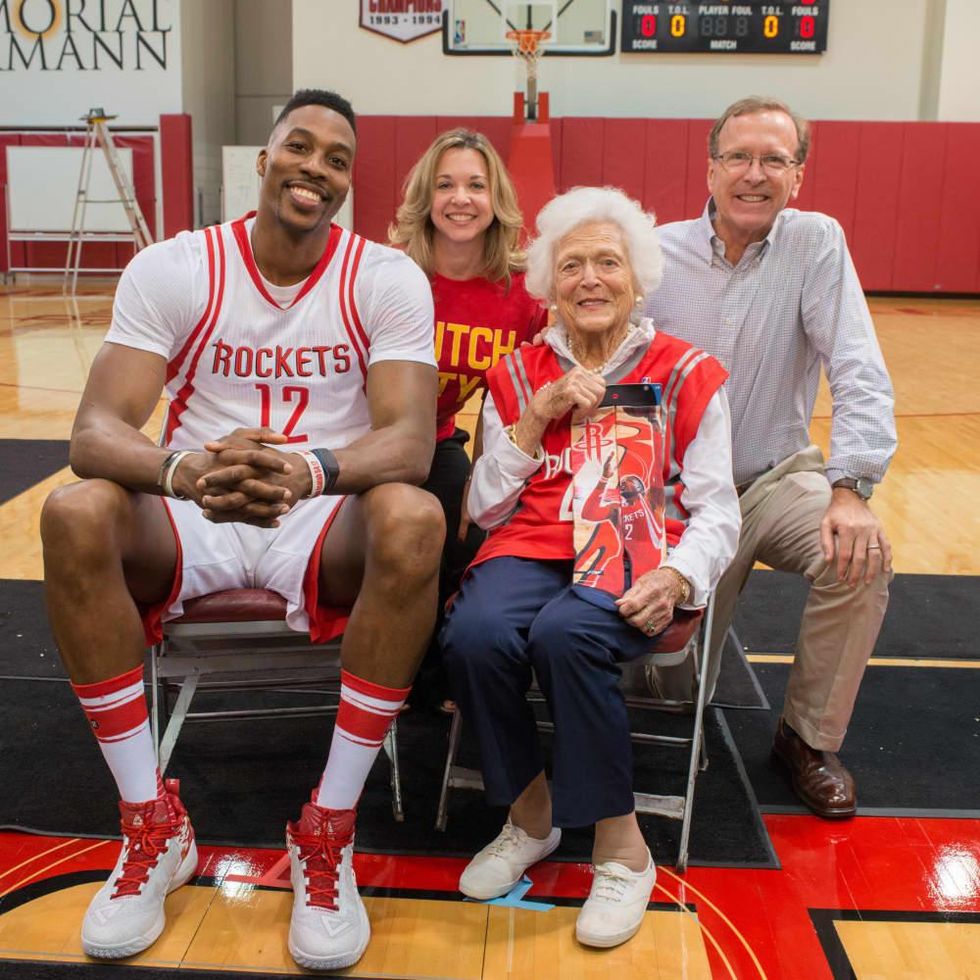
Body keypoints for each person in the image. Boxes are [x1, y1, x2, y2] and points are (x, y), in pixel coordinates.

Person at [39, 89, 444, 972]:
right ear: (263, 162)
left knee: (416, 518)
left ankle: (325, 831)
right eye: (300, 147)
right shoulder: (176, 266)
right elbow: (95, 432)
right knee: (73, 511)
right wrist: (185, 471)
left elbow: (410, 441)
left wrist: (311, 470)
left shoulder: (384, 277)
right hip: (195, 504)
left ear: (347, 185)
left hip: (318, 511)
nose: (317, 168)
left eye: (338, 159)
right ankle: (153, 825)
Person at [441, 187, 740, 949]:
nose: (590, 279)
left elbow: (718, 510)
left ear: (638, 277)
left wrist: (676, 577)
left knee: (566, 635)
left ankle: (621, 845)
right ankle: (532, 813)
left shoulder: (686, 372)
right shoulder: (516, 372)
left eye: (608, 261)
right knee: (474, 632)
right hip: (531, 548)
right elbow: (482, 506)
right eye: (571, 265)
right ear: (550, 284)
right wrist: (536, 417)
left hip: (638, 557)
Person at [643, 95, 897, 818]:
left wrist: (850, 486)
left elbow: (858, 366)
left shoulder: (816, 242)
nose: (754, 174)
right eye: (739, 158)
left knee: (862, 555)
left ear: (798, 177)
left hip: (776, 481)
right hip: (681, 500)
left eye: (774, 160)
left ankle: (805, 739)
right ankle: (674, 696)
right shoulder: (656, 255)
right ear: (711, 167)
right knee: (670, 685)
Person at [389, 129, 547, 711]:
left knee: (469, 532)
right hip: (369, 441)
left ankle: (441, 678)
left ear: (496, 198)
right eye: (446, 184)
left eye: (476, 185)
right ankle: (388, 674)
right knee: (402, 539)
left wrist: (490, 480)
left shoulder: (520, 293)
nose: (461, 198)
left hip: (434, 442)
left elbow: (517, 398)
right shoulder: (391, 273)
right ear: (425, 199)